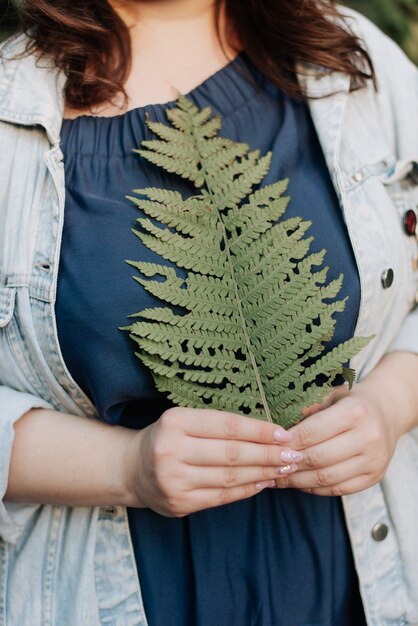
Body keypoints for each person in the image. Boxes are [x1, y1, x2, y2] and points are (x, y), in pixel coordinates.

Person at [0, 1, 418, 624]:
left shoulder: (346, 54)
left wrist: (388, 405)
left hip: (359, 575)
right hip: (114, 590)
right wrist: (127, 468)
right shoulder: (12, 117)